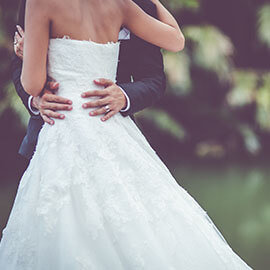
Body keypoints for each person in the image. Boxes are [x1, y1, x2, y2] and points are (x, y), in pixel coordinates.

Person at [0, 0, 253, 269]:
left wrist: (31, 56)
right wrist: (34, 101)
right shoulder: (121, 5)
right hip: (77, 133)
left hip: (88, 127)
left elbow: (154, 79)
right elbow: (176, 40)